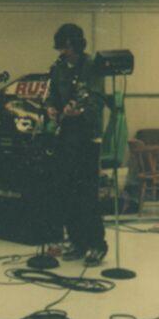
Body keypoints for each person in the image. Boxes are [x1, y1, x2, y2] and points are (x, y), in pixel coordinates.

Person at [45, 23, 108, 267]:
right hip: (65, 137)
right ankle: (77, 241)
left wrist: (79, 110)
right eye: (61, 48)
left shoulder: (92, 66)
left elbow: (96, 99)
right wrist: (51, 107)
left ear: (76, 45)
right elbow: (52, 95)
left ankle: (96, 244)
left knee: (87, 194)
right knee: (66, 191)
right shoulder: (58, 68)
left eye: (67, 48)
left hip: (87, 137)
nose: (63, 52)